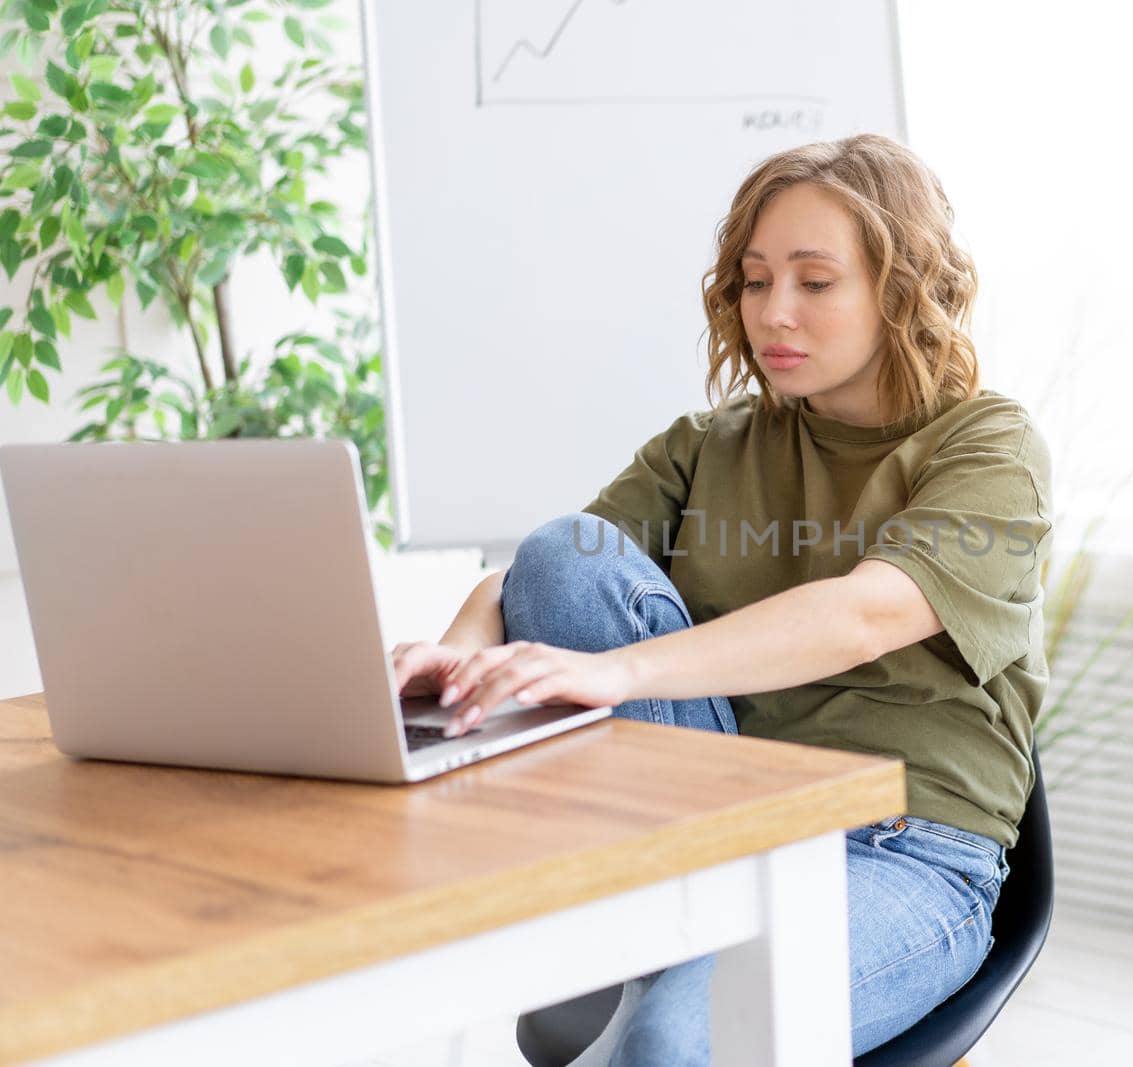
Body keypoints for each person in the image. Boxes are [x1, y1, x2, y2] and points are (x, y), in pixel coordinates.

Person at [390, 133, 1053, 1064]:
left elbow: (864, 612)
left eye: (815, 282)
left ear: (901, 291)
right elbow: (540, 577)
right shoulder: (709, 443)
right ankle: (672, 940)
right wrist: (457, 651)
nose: (773, 311)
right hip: (721, 823)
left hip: (902, 849)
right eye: (753, 280)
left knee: (671, 1044)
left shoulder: (989, 444)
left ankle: (662, 974)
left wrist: (613, 672)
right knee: (561, 552)